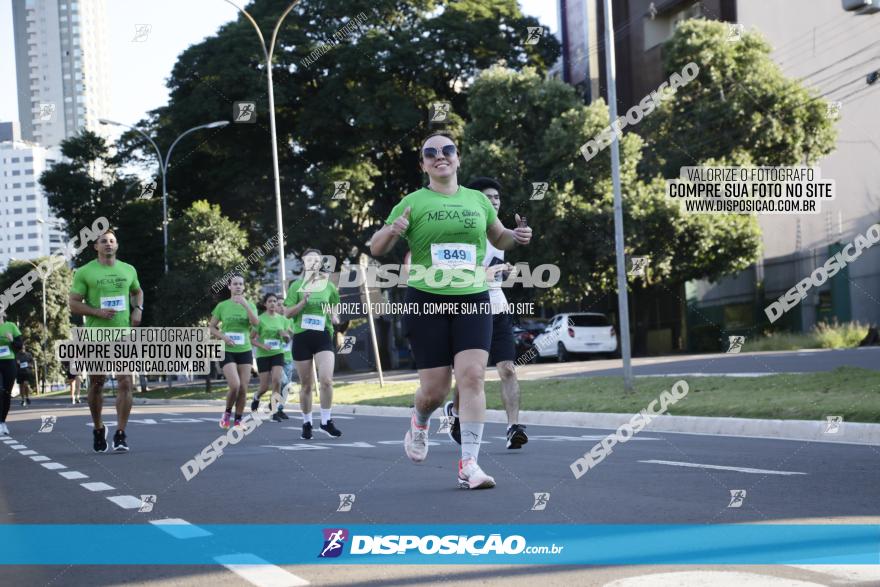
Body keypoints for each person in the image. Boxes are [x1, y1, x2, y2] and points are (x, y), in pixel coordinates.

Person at [369, 131, 532, 489]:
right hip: (427, 299)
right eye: (430, 153)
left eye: (447, 150)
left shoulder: (478, 201)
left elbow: (499, 237)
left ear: (458, 158)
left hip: (473, 297)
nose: (439, 156)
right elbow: (377, 247)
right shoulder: (412, 201)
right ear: (423, 163)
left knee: (473, 376)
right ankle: (420, 421)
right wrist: (393, 230)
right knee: (435, 390)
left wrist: (516, 237)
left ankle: (469, 464)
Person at [443, 177, 528, 450]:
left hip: (498, 308)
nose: (493, 201)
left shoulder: (500, 234)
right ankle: (455, 415)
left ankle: (513, 427)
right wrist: (490, 272)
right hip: (469, 308)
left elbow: (500, 263)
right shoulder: (461, 232)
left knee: (508, 369)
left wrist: (509, 266)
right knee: (470, 374)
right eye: (487, 197)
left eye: (496, 198)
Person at [69, 229, 143, 452]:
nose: (108, 244)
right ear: (96, 247)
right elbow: (73, 303)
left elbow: (137, 291)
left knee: (125, 382)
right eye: (103, 241)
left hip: (123, 335)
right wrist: (96, 312)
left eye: (112, 241)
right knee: (97, 383)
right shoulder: (84, 272)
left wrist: (137, 309)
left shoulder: (128, 269)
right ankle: (99, 427)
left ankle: (121, 433)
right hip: (96, 336)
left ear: (117, 245)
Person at [282, 249, 342, 440]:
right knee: (306, 385)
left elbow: (334, 303)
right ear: (304, 262)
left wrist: (333, 314)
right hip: (302, 337)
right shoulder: (296, 286)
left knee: (326, 380)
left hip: (323, 335)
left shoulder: (328, 285)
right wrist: (303, 301)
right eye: (309, 259)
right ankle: (307, 422)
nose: (313, 262)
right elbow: (287, 313)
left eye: (317, 259)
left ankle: (326, 421)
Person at [209, 275, 259, 430]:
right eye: (235, 284)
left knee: (243, 387)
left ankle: (238, 420)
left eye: (241, 284)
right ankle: (227, 413)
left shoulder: (249, 304)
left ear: (244, 287)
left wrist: (246, 306)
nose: (238, 286)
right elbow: (211, 327)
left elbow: (256, 324)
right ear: (229, 287)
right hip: (227, 350)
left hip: (244, 349)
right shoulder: (222, 306)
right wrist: (223, 337)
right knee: (235, 385)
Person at [250, 292, 290, 422]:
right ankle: (256, 397)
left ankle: (274, 411)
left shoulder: (282, 320)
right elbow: (251, 339)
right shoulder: (260, 319)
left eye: (274, 301)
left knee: (277, 380)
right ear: (265, 304)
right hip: (263, 355)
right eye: (270, 301)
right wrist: (262, 345)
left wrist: (285, 337)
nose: (273, 303)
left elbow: (287, 339)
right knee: (264, 387)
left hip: (278, 353)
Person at [0, 309, 23, 435]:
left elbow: (20, 346)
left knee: (6, 393)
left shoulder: (11, 326)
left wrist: (11, 340)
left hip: (9, 363)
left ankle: (3, 422)